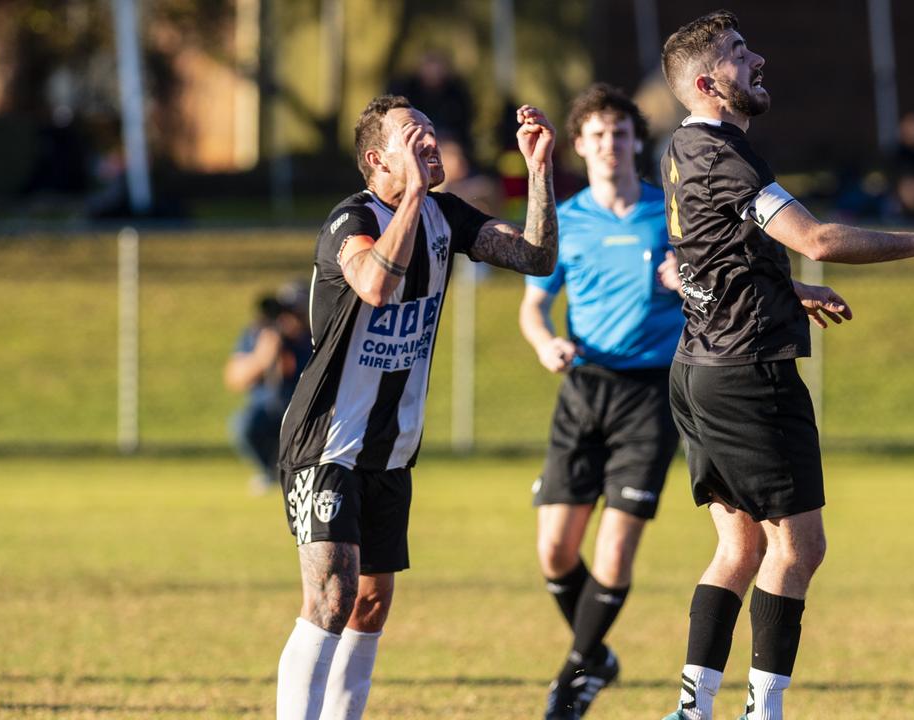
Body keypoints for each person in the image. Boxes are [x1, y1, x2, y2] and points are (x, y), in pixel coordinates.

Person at [657, 12, 914, 720]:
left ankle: (691, 710)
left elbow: (699, 259)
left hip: (700, 369)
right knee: (799, 549)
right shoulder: (728, 157)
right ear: (710, 84)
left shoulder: (681, 148)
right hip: (749, 375)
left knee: (738, 548)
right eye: (741, 55)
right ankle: (760, 713)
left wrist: (787, 291)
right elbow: (818, 238)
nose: (759, 60)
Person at [272, 94, 558, 720]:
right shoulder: (351, 220)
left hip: (392, 449)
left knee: (371, 603)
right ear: (378, 159)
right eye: (412, 136)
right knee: (331, 595)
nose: (430, 140)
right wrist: (415, 198)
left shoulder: (446, 216)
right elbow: (375, 283)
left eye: (432, 130)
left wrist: (537, 171)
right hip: (328, 443)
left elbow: (537, 257)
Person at [520, 83, 684, 720]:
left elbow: (713, 284)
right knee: (556, 551)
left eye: (620, 133)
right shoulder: (567, 219)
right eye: (596, 136)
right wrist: (545, 345)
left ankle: (574, 674)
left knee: (615, 550)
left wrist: (685, 280)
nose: (610, 144)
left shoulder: (669, 213)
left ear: (636, 141)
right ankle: (598, 658)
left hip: (650, 394)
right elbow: (534, 307)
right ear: (580, 147)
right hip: (583, 390)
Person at [224, 283, 313, 495]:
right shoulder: (259, 335)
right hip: (268, 410)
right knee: (244, 424)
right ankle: (269, 473)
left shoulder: (318, 338)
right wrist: (262, 358)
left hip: (306, 413)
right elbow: (234, 378)